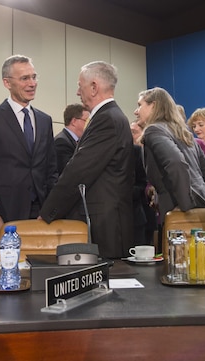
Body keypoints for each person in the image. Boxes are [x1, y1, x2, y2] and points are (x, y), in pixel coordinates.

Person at [39, 61, 134, 259]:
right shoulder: (112, 116)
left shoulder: (106, 119)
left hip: (105, 224)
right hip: (108, 219)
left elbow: (79, 170)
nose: (77, 92)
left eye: (79, 85)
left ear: (93, 87)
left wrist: (47, 213)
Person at [0, 55, 57, 221]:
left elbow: (51, 169)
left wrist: (50, 208)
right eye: (25, 78)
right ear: (7, 83)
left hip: (41, 212)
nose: (32, 83)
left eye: (34, 77)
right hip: (5, 211)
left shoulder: (44, 120)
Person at [137, 87, 205, 218]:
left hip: (181, 212)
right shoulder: (184, 133)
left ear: (153, 106)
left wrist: (186, 207)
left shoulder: (153, 130)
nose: (136, 111)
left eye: (140, 105)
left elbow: (176, 163)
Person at [55, 103, 89, 175]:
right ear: (74, 121)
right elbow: (69, 171)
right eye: (86, 121)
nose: (88, 125)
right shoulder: (61, 142)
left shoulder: (78, 141)